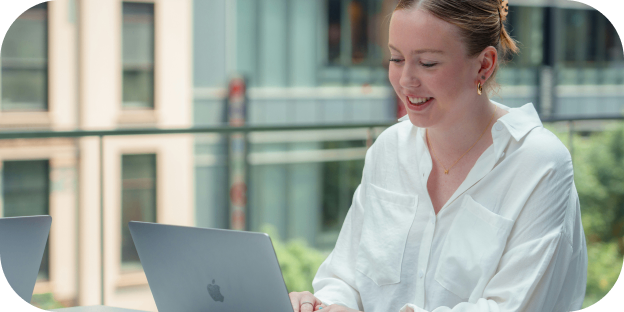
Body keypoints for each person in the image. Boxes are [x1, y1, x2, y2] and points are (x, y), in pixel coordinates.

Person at [289, 0, 588, 311]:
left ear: (484, 65)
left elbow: (515, 306)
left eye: (428, 63)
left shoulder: (539, 163)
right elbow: (345, 276)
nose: (405, 80)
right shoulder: (389, 149)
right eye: (396, 58)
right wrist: (322, 304)